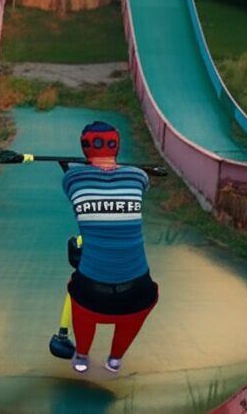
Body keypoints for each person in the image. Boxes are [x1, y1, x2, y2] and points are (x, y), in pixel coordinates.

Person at [61, 120, 158, 374]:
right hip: (137, 292)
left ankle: (81, 356)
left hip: (92, 293)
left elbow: (72, 183)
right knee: (140, 304)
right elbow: (142, 184)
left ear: (85, 148)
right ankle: (115, 360)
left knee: (78, 298)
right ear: (116, 145)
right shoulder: (138, 176)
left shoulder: (73, 178)